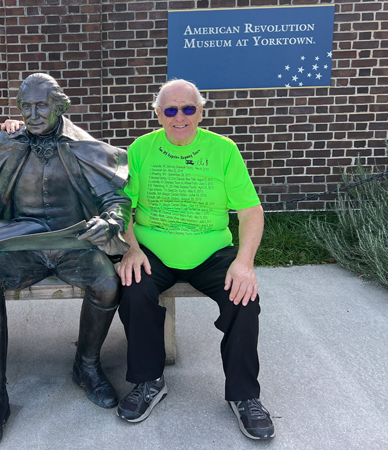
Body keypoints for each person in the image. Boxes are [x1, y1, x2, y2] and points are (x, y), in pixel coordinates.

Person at [0, 73, 131, 450]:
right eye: (26, 106)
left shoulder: (83, 146)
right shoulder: (6, 144)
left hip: (74, 243)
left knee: (106, 283)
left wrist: (110, 222)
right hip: (23, 245)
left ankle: (85, 365)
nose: (33, 114)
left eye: (42, 105)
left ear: (60, 106)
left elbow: (115, 201)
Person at [115, 79, 275, 440]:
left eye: (188, 108)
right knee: (133, 289)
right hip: (152, 250)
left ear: (201, 111)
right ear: (158, 115)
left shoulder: (223, 150)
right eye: (170, 110)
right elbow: (124, 208)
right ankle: (148, 381)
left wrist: (244, 262)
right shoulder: (141, 149)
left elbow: (251, 211)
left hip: (211, 251)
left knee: (243, 298)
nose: (180, 117)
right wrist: (132, 248)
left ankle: (245, 395)